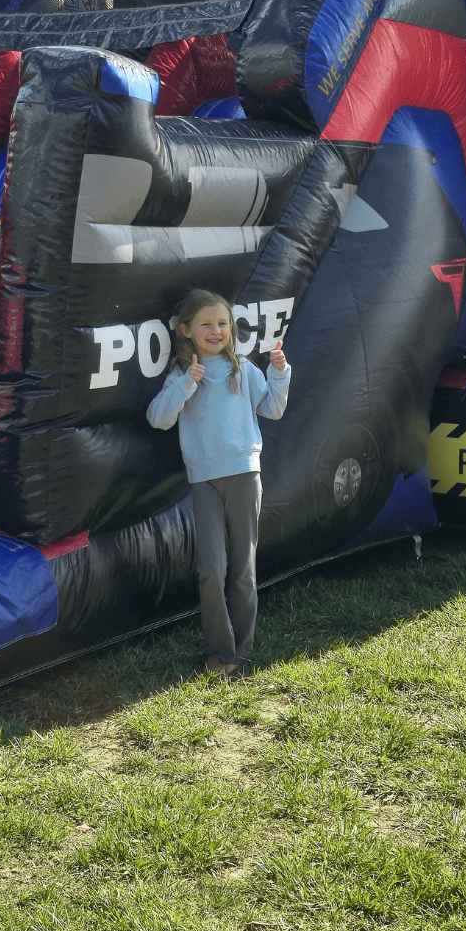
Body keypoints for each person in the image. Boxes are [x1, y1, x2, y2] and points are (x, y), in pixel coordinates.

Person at [146, 288, 291, 679]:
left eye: (222, 323)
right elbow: (158, 419)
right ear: (186, 330)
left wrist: (279, 372)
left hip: (245, 476)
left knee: (242, 568)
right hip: (204, 481)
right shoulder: (182, 374)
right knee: (211, 568)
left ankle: (239, 654)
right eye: (206, 324)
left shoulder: (243, 369)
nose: (216, 331)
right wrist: (186, 384)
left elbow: (273, 409)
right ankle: (219, 651)